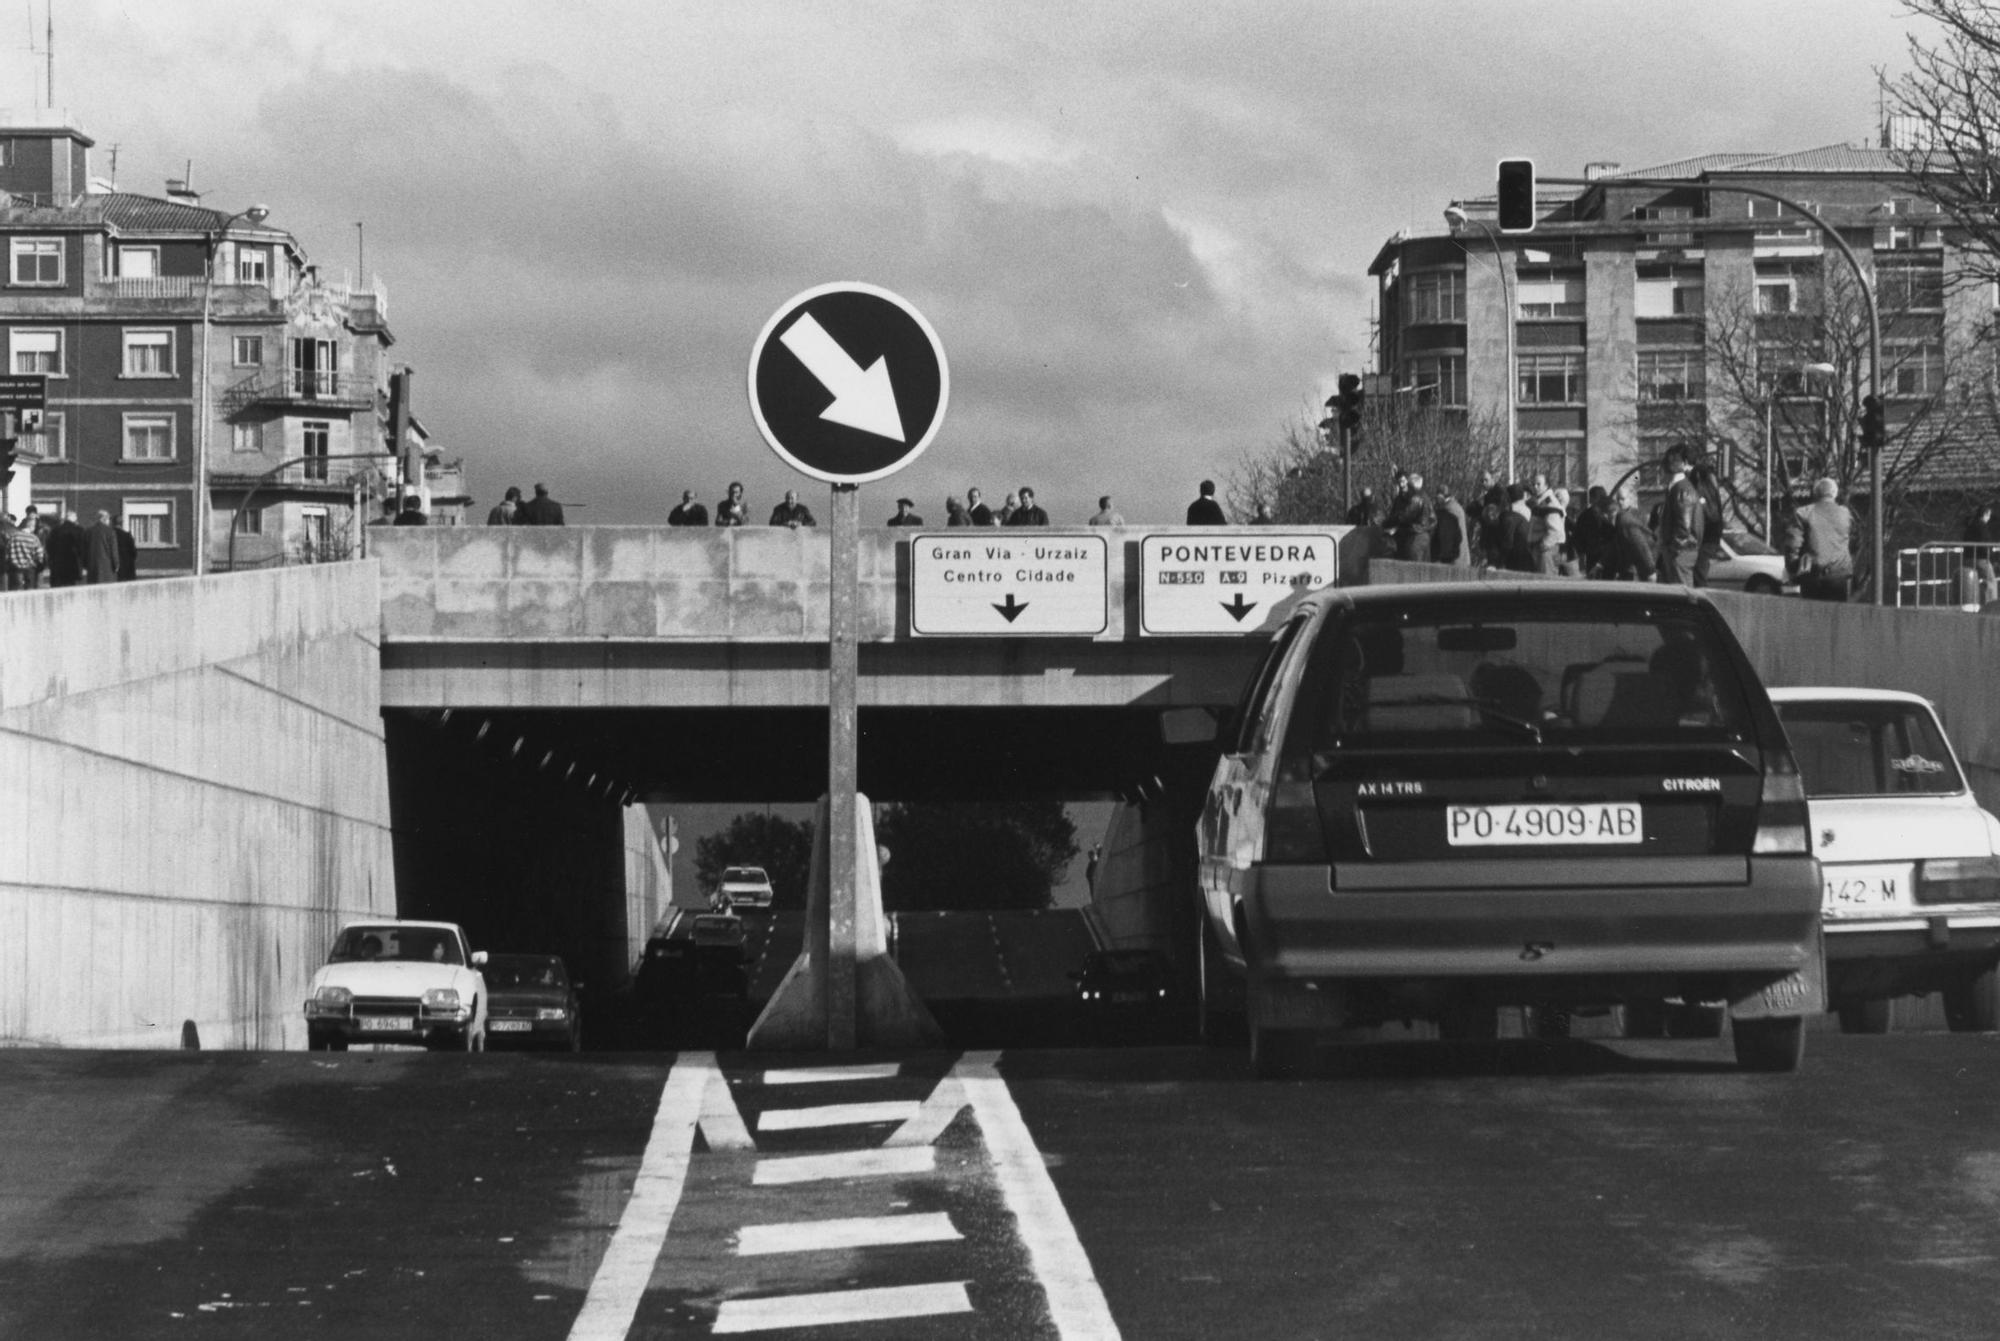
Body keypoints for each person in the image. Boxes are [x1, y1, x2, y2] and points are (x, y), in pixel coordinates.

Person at [1785, 477, 1856, 602]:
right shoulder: (1845, 514)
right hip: (1839, 575)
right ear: (1835, 493)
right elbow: (1853, 537)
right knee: (1836, 618)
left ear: (1815, 493)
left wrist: (1793, 568)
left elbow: (1792, 544)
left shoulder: (1803, 513)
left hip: (1812, 575)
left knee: (1811, 617)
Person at [1655, 447, 1705, 586]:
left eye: (1673, 459)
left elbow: (1684, 528)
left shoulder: (1682, 489)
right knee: (1677, 596)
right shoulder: (1678, 488)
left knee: (1682, 596)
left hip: (1681, 553)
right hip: (1679, 552)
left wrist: (1673, 551)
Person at [1609, 482, 1657, 582]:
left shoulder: (1634, 517)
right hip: (1626, 567)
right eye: (1618, 499)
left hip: (1635, 568)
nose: (1620, 502)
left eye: (1623, 499)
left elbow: (1641, 545)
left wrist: (1650, 569)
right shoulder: (1619, 517)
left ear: (1630, 499)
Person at [1689, 461, 1726, 588]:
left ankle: (1701, 597)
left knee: (1699, 570)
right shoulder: (1712, 489)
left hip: (1706, 537)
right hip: (1711, 537)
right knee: (1700, 569)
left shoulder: (1703, 491)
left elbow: (1710, 515)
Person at [1390, 470, 1436, 561]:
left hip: (1414, 537)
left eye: (1406, 483)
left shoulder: (1416, 499)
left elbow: (1404, 517)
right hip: (1419, 536)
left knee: (1413, 568)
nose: (1404, 485)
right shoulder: (1424, 498)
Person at [1571, 485, 1614, 578]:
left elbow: (1577, 537)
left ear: (1592, 499)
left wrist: (1582, 552)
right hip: (1608, 556)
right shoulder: (1609, 513)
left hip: (1591, 555)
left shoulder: (1584, 515)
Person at [1963, 500, 1998, 604]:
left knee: (1973, 583)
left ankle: (1975, 604)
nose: (1989, 518)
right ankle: (1991, 607)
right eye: (1989, 515)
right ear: (1985, 514)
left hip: (1968, 558)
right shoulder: (1982, 527)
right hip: (1981, 559)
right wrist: (1991, 557)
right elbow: (1985, 543)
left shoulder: (1970, 525)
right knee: (1991, 582)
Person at [1495, 483, 1535, 573]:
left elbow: (1508, 540)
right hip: (1527, 554)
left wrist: (1499, 562)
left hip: (1516, 557)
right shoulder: (1528, 510)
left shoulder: (1511, 514)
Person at [1, 513, 45, 590]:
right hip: (30, 568)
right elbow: (39, 555)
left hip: (15, 569)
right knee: (29, 591)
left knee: (16, 590)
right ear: (31, 527)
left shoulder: (13, 537)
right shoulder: (34, 538)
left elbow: (7, 554)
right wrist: (37, 564)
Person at [1431, 481, 1467, 567]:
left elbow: (1447, 536)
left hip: (1454, 558)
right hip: (1460, 555)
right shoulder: (1456, 507)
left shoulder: (1449, 510)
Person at [47, 509, 85, 587]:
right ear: (74, 518)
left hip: (57, 565)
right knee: (71, 586)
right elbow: (82, 548)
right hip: (73, 564)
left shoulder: (55, 530)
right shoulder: (79, 530)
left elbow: (49, 547)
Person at [85, 509, 119, 583]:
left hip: (92, 567)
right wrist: (116, 564)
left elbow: (84, 549)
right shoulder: (110, 531)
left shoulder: (88, 531)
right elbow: (113, 550)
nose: (109, 521)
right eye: (108, 519)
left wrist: (86, 565)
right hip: (107, 567)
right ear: (105, 519)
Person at [114, 514, 137, 581]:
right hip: (127, 567)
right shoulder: (127, 536)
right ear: (122, 523)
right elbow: (134, 552)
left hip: (114, 568)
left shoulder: (110, 535)